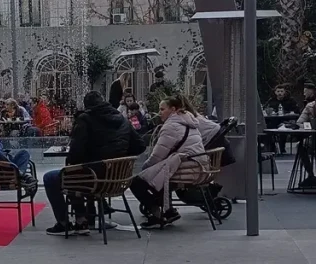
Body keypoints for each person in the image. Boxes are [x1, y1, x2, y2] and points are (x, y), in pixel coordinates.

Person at [43, 90, 147, 236]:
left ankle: (68, 222)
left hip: (93, 179)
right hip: (117, 179)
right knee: (75, 171)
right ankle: (82, 219)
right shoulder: (122, 119)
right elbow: (141, 146)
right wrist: (119, 160)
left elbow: (75, 153)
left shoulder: (85, 119)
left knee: (53, 177)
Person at [130, 96, 206, 228]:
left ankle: (156, 215)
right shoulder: (188, 121)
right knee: (159, 175)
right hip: (197, 164)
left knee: (137, 182)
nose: (159, 112)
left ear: (173, 109)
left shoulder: (171, 126)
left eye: (162, 109)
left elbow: (157, 156)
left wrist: (145, 168)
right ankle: (168, 211)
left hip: (187, 167)